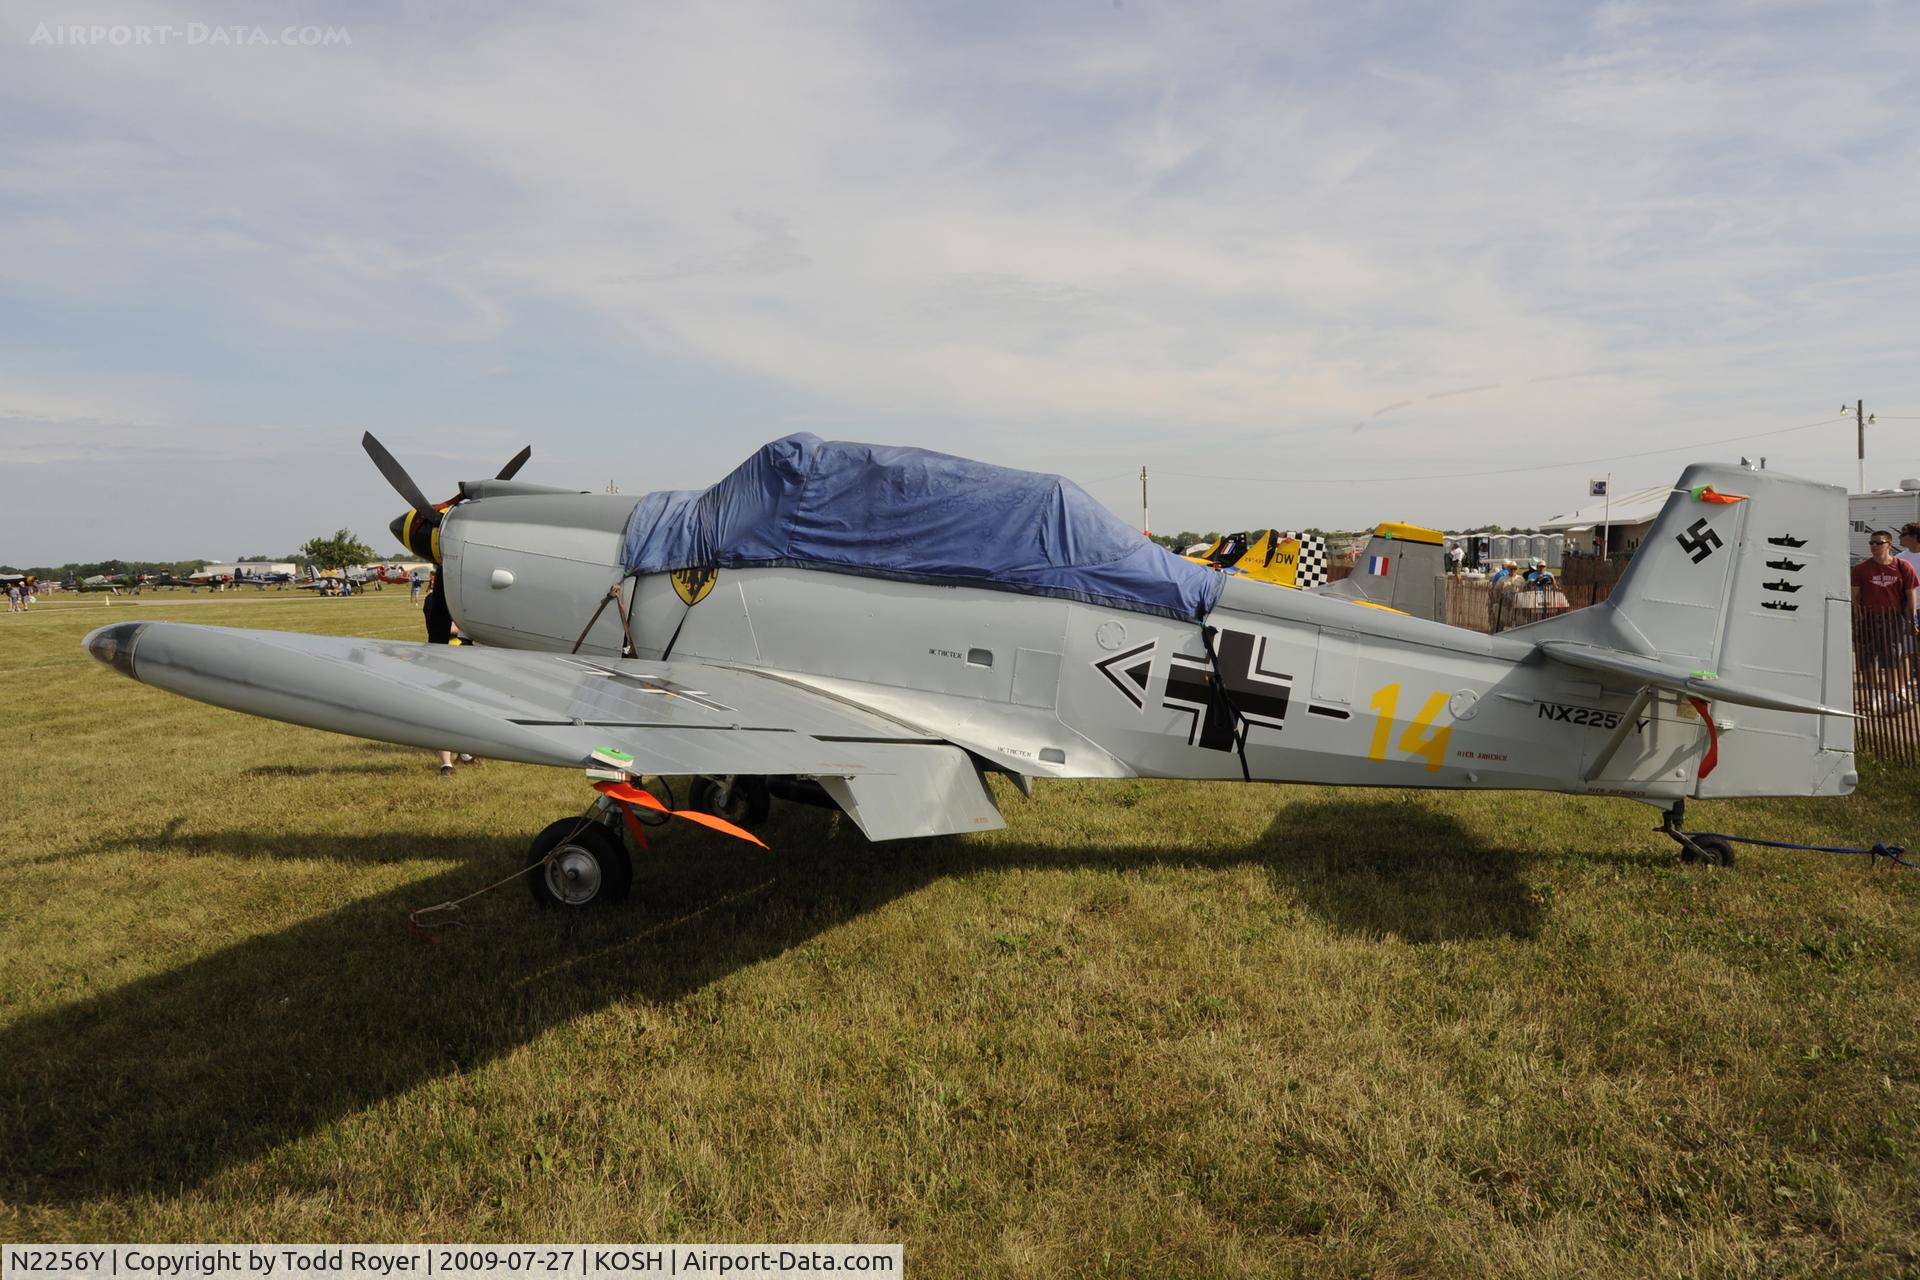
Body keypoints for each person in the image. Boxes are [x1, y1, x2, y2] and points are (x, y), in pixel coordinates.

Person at [1851, 530, 1920, 708]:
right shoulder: (1861, 568)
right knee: (1866, 660)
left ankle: (1892, 696)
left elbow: (1911, 596)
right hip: (1868, 618)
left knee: (1892, 659)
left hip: (1893, 618)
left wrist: (1911, 621)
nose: (1874, 546)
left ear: (1889, 545)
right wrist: (1859, 618)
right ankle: (1873, 696)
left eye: (1878, 543)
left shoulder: (1903, 567)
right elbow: (1855, 597)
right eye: (1871, 543)